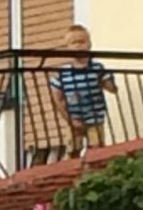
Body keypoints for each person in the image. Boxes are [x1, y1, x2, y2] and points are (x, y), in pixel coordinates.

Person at [48, 24, 116, 156]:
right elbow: (57, 99)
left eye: (82, 41)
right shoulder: (63, 73)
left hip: (95, 118)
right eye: (74, 42)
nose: (78, 45)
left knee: (96, 151)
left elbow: (111, 88)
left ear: (89, 44)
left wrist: (107, 82)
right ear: (67, 47)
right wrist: (69, 119)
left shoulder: (97, 68)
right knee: (72, 150)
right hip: (74, 119)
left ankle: (93, 172)